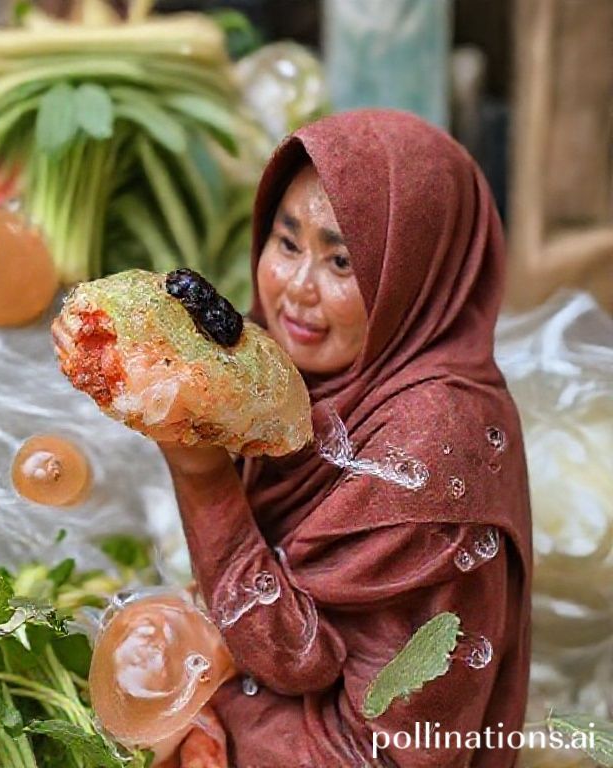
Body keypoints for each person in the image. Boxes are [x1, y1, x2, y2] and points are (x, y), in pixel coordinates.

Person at [158, 109, 532, 768]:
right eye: (287, 243)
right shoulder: (301, 382)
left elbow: (298, 657)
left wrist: (202, 480)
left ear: (411, 273)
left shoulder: (430, 443)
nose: (297, 291)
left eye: (340, 260)